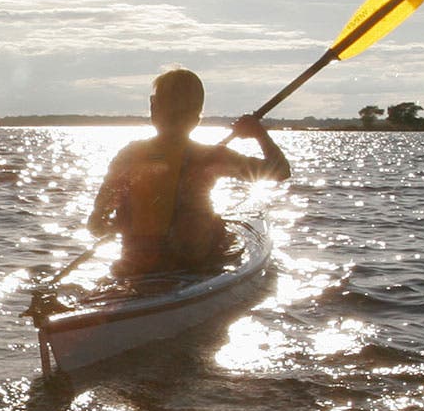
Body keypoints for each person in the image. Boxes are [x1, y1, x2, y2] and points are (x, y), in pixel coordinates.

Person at [87, 67, 290, 277]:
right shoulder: (211, 157)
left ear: (154, 109)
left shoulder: (128, 156)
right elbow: (280, 171)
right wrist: (259, 134)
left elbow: (95, 226)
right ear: (196, 118)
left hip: (136, 266)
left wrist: (114, 224)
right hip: (193, 265)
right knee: (218, 231)